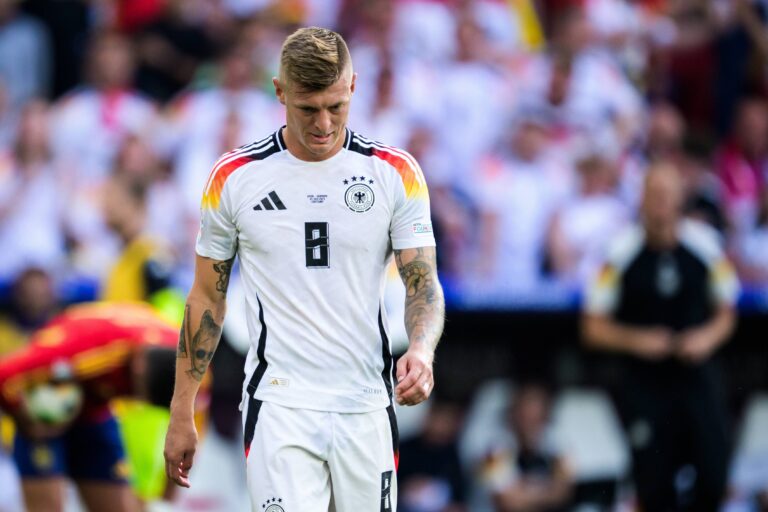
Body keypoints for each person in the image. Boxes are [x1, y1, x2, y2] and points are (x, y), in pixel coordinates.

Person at [164, 26, 445, 512]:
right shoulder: (233, 179)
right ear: (279, 92)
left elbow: (424, 286)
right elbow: (207, 297)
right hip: (279, 403)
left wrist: (421, 351)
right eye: (308, 108)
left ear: (353, 87)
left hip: (365, 404)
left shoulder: (394, 173)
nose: (323, 124)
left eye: (336, 107)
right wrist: (181, 409)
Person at [582, 162, 740, 511]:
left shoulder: (707, 246)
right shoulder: (617, 253)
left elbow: (728, 312)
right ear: (640, 199)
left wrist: (706, 339)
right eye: (652, 195)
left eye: (667, 195)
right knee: (653, 483)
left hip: (698, 377)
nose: (660, 204)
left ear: (681, 199)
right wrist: (637, 340)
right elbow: (592, 326)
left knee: (714, 473)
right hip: (645, 382)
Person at [0, 302, 183, 512]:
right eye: (134, 391)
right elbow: (3, 375)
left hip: (95, 413)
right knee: (47, 506)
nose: (132, 398)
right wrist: (25, 422)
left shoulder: (190, 360)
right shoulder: (87, 350)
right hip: (43, 415)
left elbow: (190, 424)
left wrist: (171, 489)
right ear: (137, 367)